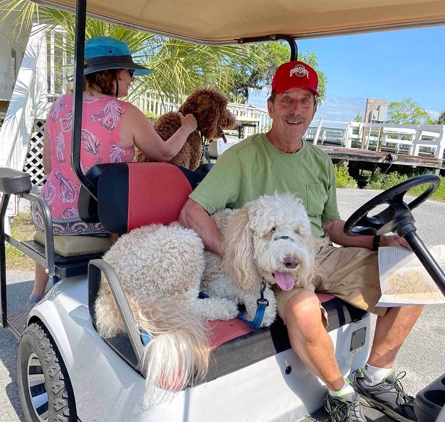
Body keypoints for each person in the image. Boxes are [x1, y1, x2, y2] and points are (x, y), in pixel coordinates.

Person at [178, 60, 420, 422]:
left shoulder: (321, 161)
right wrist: (237, 255)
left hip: (319, 252)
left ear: (314, 108)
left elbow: (334, 226)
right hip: (271, 263)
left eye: (305, 101)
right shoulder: (242, 157)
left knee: (415, 277)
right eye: (287, 100)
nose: (296, 110)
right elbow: (191, 212)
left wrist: (379, 243)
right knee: (305, 310)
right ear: (271, 106)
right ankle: (341, 395)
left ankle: (375, 377)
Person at [28, 36, 197, 308]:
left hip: (47, 214)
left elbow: (49, 167)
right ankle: (129, 301)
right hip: (92, 219)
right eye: (128, 72)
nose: (132, 78)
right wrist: (187, 128)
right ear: (109, 71)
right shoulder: (124, 112)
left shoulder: (59, 105)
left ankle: (37, 294)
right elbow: (165, 154)